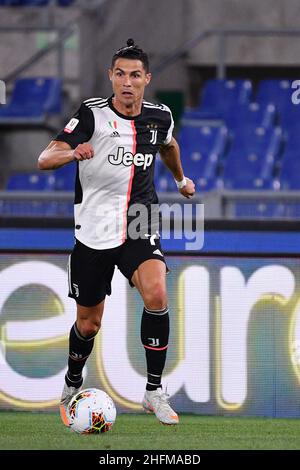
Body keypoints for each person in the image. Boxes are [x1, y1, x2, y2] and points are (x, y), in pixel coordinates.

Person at [38, 38, 195, 426]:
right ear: (111, 76)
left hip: (139, 221)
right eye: (120, 74)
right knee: (89, 323)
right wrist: (72, 153)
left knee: (157, 293)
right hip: (93, 229)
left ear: (147, 79)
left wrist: (180, 179)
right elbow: (45, 158)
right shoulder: (91, 116)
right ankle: (73, 380)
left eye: (135, 75)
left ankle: (153, 391)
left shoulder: (159, 116)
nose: (127, 82)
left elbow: (169, 145)